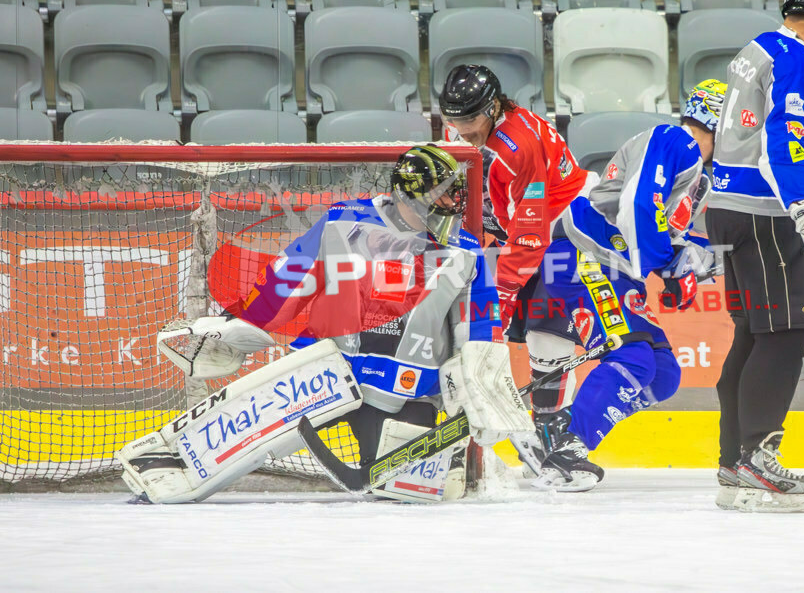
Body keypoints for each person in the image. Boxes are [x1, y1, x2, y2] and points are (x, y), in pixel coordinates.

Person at [117, 146, 532, 504]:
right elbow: (287, 278)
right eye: (441, 199)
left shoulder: (467, 252)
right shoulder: (341, 223)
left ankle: (446, 464)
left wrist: (481, 382)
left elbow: (478, 327)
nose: (451, 207)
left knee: (408, 493)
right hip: (325, 373)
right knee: (226, 443)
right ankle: (168, 459)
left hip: (405, 394)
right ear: (409, 196)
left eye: (453, 197)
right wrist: (236, 324)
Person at [522, 79, 727, 491]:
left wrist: (692, 264)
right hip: (582, 255)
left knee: (663, 374)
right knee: (634, 358)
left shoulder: (698, 175)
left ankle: (561, 427)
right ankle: (566, 447)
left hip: (613, 267)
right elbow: (637, 208)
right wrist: (671, 266)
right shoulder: (675, 141)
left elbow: (666, 236)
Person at [706, 0, 804, 513]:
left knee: (754, 332)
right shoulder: (799, 61)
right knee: (788, 332)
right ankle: (756, 460)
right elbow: (780, 144)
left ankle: (732, 464)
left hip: (728, 207)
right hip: (766, 212)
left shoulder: (756, 47)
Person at [439, 64, 597, 476]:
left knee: (547, 336)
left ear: (492, 108)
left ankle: (553, 437)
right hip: (522, 227)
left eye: (470, 120)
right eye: (454, 120)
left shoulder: (518, 147)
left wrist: (502, 296)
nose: (462, 129)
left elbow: (530, 237)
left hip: (566, 228)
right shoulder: (471, 133)